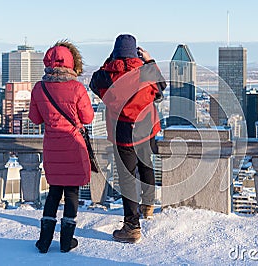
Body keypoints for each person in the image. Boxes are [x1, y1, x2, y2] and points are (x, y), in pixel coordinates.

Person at [90, 34, 166, 243]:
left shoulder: (105, 76)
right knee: (146, 165)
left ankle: (132, 226)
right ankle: (148, 205)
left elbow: (93, 84)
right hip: (145, 129)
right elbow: (161, 88)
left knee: (126, 178)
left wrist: (110, 60)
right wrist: (149, 60)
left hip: (122, 133)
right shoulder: (144, 72)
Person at [28, 41, 94, 253]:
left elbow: (35, 119)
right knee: (72, 193)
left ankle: (44, 241)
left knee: (54, 192)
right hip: (74, 145)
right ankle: (67, 242)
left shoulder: (39, 88)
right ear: (70, 62)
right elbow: (88, 117)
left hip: (52, 147)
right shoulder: (77, 88)